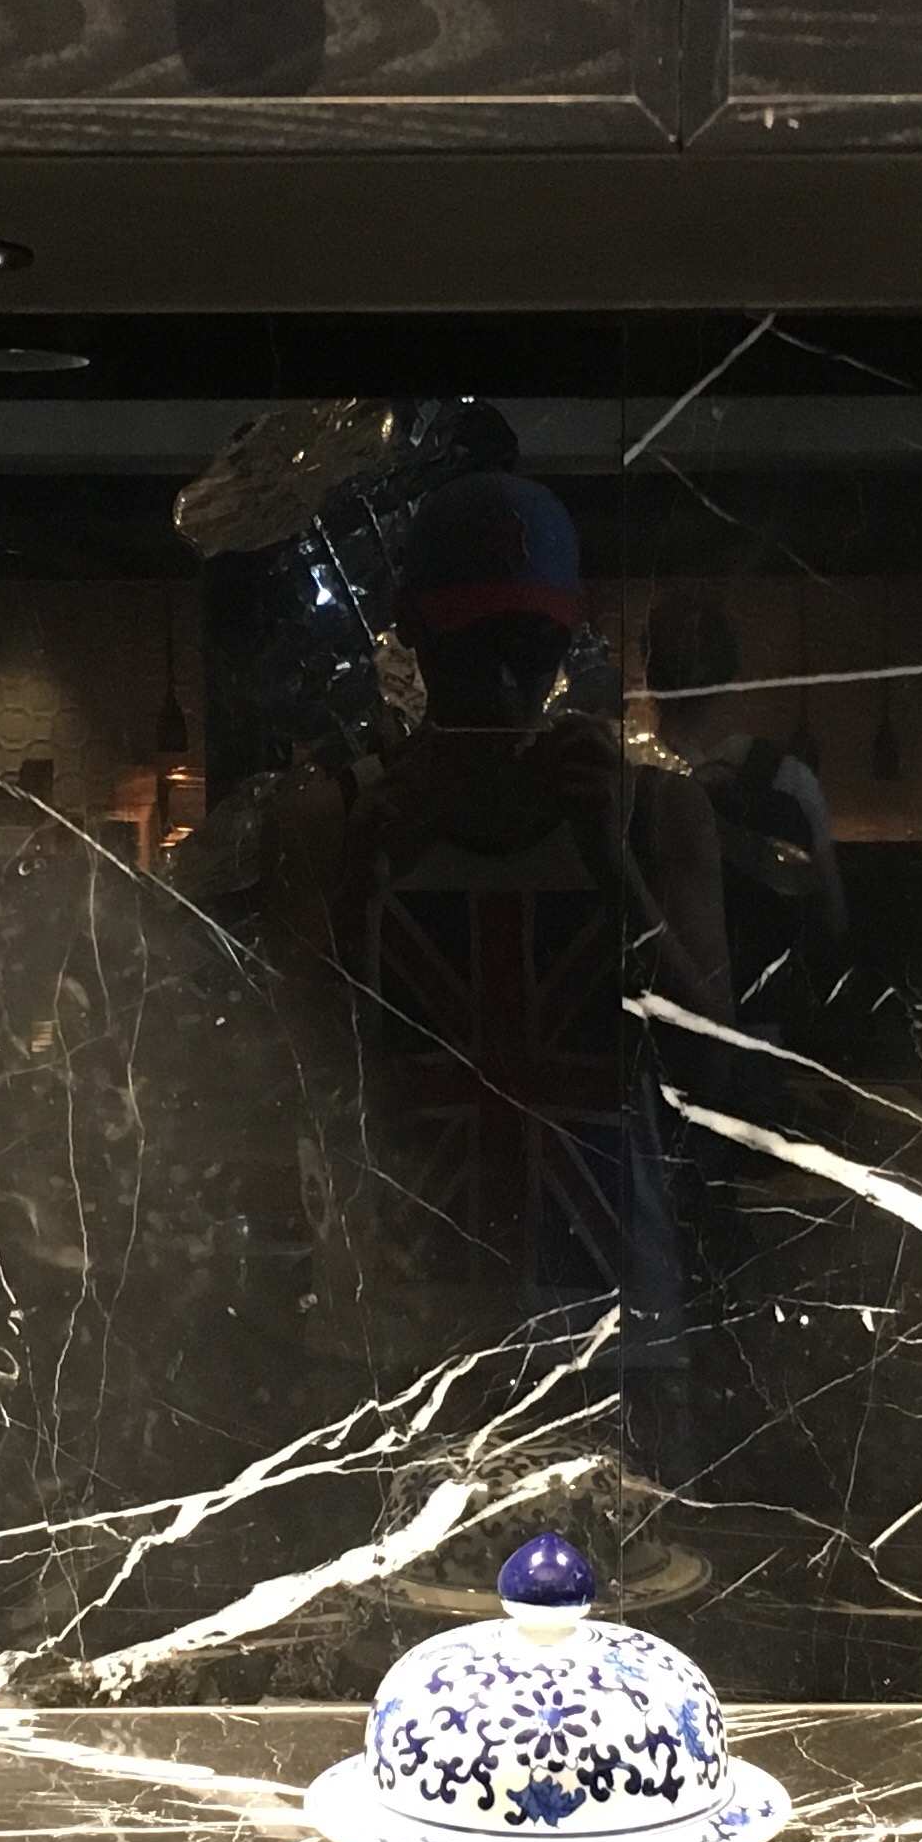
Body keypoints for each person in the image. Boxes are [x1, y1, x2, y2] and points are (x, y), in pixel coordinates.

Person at [262, 473, 724, 1302]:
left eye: (530, 644)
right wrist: (361, 886)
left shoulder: (654, 813)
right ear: (414, 632)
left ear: (569, 635)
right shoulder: (331, 821)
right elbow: (288, 1078)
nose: (505, 680)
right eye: (473, 644)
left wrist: (616, 870)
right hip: (412, 1314)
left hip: (599, 1308)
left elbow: (718, 1071)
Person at [644, 589, 843, 1009]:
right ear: (730, 675)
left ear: (649, 677)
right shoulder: (789, 778)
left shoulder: (629, 780)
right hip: (762, 1023)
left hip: (651, 1021)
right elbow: (833, 917)